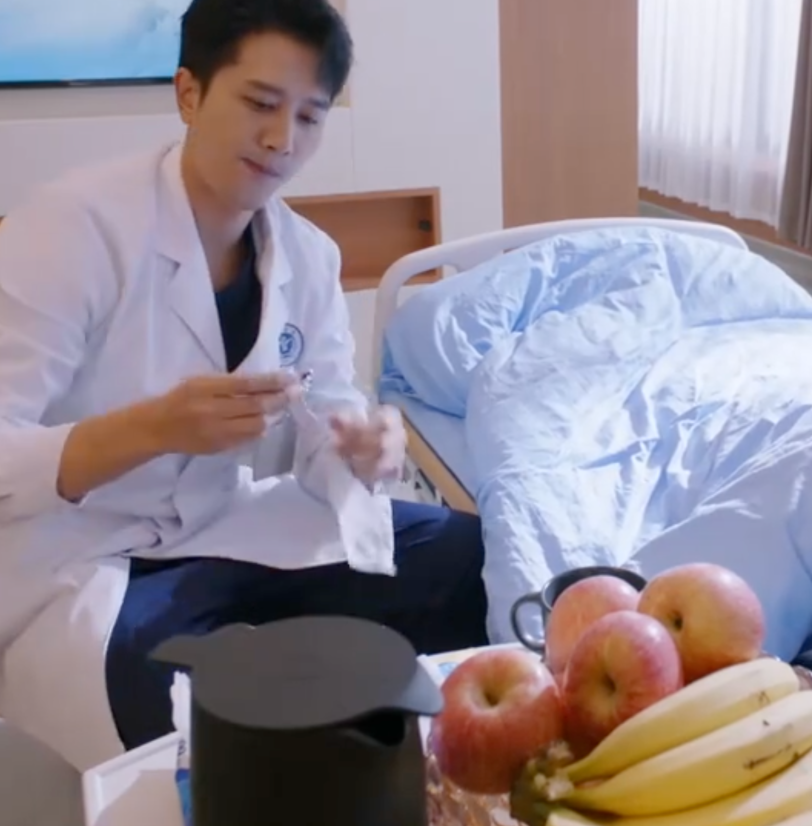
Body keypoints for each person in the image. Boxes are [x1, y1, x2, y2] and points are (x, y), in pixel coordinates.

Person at [0, 0, 489, 771]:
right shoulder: (72, 229)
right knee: (163, 702)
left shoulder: (308, 256)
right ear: (189, 93)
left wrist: (364, 448)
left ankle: (424, 768)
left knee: (466, 557)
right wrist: (153, 428)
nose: (282, 140)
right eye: (261, 103)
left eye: (310, 117)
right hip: (82, 558)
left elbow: (326, 422)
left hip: (224, 526)